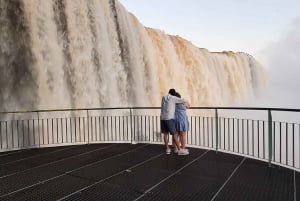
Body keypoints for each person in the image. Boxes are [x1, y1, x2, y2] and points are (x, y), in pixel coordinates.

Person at [160, 88, 189, 155]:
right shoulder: (173, 98)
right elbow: (183, 101)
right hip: (169, 118)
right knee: (175, 134)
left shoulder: (164, 97)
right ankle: (179, 150)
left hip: (162, 117)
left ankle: (167, 149)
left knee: (165, 134)